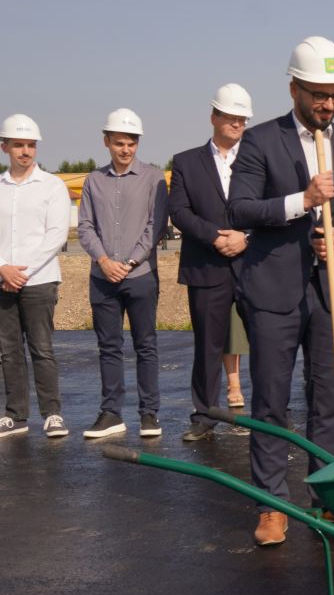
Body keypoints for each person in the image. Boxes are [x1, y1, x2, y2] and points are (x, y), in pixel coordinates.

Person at [227, 36, 334, 546]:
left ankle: (328, 498)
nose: (328, 104)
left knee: (328, 398)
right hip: (272, 288)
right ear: (294, 88)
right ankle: (272, 505)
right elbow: (241, 208)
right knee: (271, 399)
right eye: (319, 94)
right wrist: (302, 200)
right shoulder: (260, 141)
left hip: (328, 289)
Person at [169, 84, 254, 442]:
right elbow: (179, 211)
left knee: (267, 342)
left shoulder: (257, 157)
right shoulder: (187, 161)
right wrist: (216, 237)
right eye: (230, 117)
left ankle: (272, 413)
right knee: (208, 345)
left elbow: (271, 204)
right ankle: (203, 415)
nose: (236, 123)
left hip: (253, 264)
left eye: (241, 118)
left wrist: (245, 236)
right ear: (214, 117)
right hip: (207, 266)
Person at [77, 109, 168, 440]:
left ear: (137, 143)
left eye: (131, 143)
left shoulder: (154, 178)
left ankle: (149, 414)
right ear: (107, 142)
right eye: (119, 143)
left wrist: (128, 263)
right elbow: (85, 226)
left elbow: (155, 225)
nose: (125, 149)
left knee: (146, 344)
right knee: (109, 346)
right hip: (102, 278)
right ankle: (111, 413)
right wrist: (103, 260)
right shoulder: (93, 181)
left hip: (140, 275)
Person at [0, 114, 71, 439]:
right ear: (5, 147)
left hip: (40, 280)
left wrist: (20, 271)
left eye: (30, 145)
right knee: (9, 349)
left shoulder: (52, 186)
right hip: (2, 280)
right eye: (19, 145)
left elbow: (55, 235)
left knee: (42, 347)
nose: (26, 151)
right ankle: (16, 416)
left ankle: (52, 414)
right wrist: (3, 268)